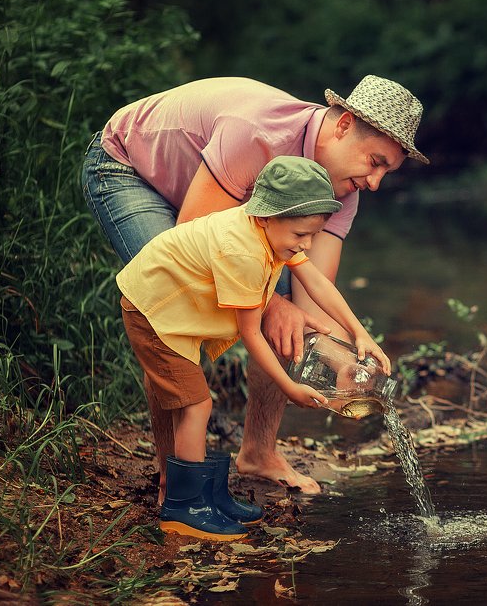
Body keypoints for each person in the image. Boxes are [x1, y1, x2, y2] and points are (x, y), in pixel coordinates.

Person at [82, 75, 427, 496]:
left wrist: (347, 360)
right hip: (132, 168)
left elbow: (311, 302)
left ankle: (259, 454)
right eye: (375, 162)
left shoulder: (343, 191)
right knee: (170, 307)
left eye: (387, 172)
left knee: (285, 313)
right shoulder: (260, 133)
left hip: (220, 212)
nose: (375, 183)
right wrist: (273, 305)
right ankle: (174, 478)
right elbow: (196, 241)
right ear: (343, 125)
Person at [118, 157, 392, 541]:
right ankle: (184, 507)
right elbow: (252, 334)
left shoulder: (276, 230)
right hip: (154, 312)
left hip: (177, 309)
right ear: (267, 217)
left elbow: (316, 282)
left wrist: (359, 333)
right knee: (196, 404)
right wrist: (289, 387)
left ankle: (210, 494)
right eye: (301, 235)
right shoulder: (243, 250)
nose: (306, 244)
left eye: (313, 235)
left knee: (194, 401)